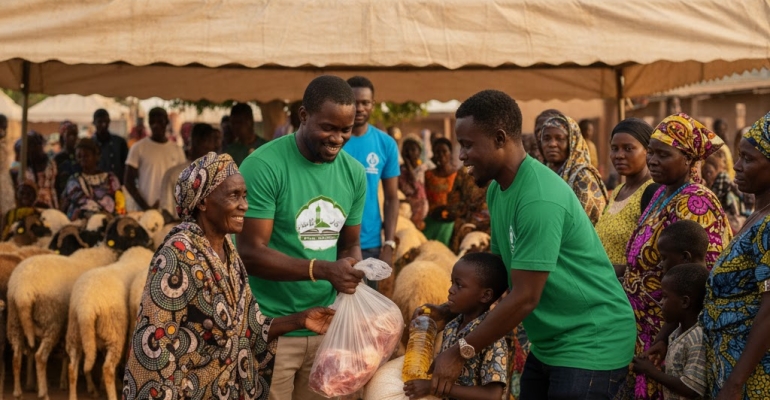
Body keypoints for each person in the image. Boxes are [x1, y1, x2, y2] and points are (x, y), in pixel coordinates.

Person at [427, 90, 635, 400]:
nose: (461, 155)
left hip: (590, 340)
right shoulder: (498, 190)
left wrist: (460, 352)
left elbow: (524, 297)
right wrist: (450, 310)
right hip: (551, 342)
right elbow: (497, 272)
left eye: (468, 145)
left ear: (500, 138)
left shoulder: (538, 198)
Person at [122, 152, 335, 400]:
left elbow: (249, 327)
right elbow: (154, 347)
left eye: (244, 195)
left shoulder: (228, 251)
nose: (244, 205)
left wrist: (301, 320)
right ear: (202, 202)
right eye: (234, 196)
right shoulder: (176, 255)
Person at [236, 75, 366, 400]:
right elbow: (250, 252)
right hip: (271, 327)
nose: (337, 138)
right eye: (328, 128)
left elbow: (349, 244)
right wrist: (323, 269)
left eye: (345, 130)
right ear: (303, 116)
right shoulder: (263, 166)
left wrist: (354, 272)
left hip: (327, 326)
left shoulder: (354, 174)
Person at [623, 113, 732, 400]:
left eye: (663, 154)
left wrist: (663, 337)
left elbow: (694, 283)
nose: (653, 160)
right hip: (645, 329)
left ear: (688, 158)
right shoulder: (662, 193)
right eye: (651, 153)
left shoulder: (695, 203)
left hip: (669, 334)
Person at [701, 112, 770, 399]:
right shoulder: (757, 217)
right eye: (740, 157)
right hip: (729, 366)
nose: (737, 167)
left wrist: (735, 383)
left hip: (753, 377)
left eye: (749, 160)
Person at [403, 252, 509, 400]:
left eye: (459, 285)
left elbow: (493, 395)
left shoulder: (492, 340)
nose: (451, 290)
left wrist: (432, 387)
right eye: (452, 282)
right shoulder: (452, 325)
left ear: (485, 296)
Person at [342, 76, 400, 279]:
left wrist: (389, 242)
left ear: (373, 104)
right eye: (354, 102)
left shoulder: (386, 144)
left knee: (370, 308)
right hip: (333, 242)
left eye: (365, 102)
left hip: (370, 243)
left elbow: (392, 197)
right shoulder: (332, 141)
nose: (359, 108)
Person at [631, 264, 709, 400]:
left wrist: (650, 371)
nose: (661, 302)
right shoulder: (677, 333)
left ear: (685, 302)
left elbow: (691, 389)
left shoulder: (697, 338)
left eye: (665, 297)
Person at [595, 118, 658, 276]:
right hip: (605, 285)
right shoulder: (617, 191)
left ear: (648, 151)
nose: (619, 155)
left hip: (628, 291)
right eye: (614, 149)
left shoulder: (652, 192)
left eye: (628, 148)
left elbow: (650, 257)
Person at [538, 113, 608, 225]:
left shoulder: (583, 177)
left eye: (559, 139)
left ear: (572, 142)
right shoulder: (543, 173)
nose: (552, 144)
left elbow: (589, 225)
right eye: (546, 138)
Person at [124, 107, 187, 211]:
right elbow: (128, 181)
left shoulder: (177, 149)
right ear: (148, 122)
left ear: (166, 122)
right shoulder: (138, 147)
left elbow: (183, 181)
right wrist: (146, 207)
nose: (155, 125)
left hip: (171, 211)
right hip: (145, 210)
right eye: (152, 121)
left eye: (160, 121)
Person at [159, 123, 222, 219]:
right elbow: (165, 212)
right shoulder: (173, 174)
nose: (215, 146)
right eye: (210, 140)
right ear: (198, 141)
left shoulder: (220, 174)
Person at [59, 138, 124, 220]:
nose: (82, 159)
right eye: (79, 156)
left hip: (109, 224)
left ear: (96, 156)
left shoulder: (111, 179)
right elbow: (84, 202)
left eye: (86, 156)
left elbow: (120, 201)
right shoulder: (74, 181)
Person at [445, 166, 490, 253]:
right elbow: (452, 203)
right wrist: (465, 209)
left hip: (491, 225)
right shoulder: (464, 172)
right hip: (465, 222)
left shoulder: (500, 172)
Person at [423, 138, 458, 246]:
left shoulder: (458, 175)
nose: (441, 155)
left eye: (444, 151)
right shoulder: (428, 175)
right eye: (437, 152)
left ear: (450, 153)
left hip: (451, 220)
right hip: (432, 219)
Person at [702, 153, 745, 233]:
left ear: (716, 168)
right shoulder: (717, 180)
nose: (708, 176)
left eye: (709, 172)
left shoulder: (722, 179)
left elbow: (713, 200)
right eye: (705, 173)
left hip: (732, 222)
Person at [398, 134, 429, 230]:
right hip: (404, 208)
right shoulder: (399, 170)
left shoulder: (424, 169)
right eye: (406, 150)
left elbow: (416, 187)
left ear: (419, 152)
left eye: (413, 150)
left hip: (420, 208)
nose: (409, 153)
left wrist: (408, 165)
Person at [92, 109, 128, 184]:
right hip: (98, 186)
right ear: (94, 122)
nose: (103, 125)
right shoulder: (90, 144)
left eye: (106, 122)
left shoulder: (119, 142)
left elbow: (126, 165)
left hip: (118, 185)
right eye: (100, 122)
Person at [23, 131, 58, 209]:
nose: (33, 148)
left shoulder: (51, 164)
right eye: (30, 146)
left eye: (36, 145)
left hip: (50, 205)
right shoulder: (25, 168)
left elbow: (56, 186)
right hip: (31, 207)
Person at [53, 121, 80, 198]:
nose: (72, 138)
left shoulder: (81, 156)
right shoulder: (58, 159)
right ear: (63, 137)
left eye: (74, 135)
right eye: (69, 135)